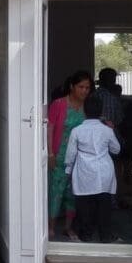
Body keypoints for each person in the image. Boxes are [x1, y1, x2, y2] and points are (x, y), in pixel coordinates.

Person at [64, 96, 120, 243]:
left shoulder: (76, 131)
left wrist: (68, 172)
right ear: (101, 111)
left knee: (84, 205)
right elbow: (116, 149)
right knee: (104, 204)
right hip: (104, 171)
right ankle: (105, 235)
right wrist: (112, 129)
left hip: (84, 171)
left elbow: (70, 155)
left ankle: (86, 234)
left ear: (84, 110)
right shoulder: (107, 130)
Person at [47, 70, 92, 241]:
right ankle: (50, 227)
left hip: (80, 159)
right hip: (60, 156)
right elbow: (49, 129)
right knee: (56, 191)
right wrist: (50, 152)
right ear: (72, 87)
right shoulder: (58, 104)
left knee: (74, 193)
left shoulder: (88, 106)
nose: (84, 91)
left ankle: (68, 227)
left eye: (87, 88)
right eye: (81, 87)